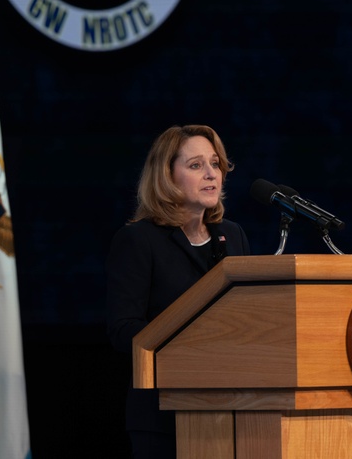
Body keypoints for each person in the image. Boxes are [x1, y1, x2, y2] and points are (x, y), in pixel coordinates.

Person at [106, 124, 252, 458]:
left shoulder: (233, 235)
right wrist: (190, 347)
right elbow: (123, 329)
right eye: (196, 165)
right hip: (163, 416)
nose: (211, 174)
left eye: (215, 164)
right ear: (167, 176)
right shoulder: (139, 241)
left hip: (232, 409)